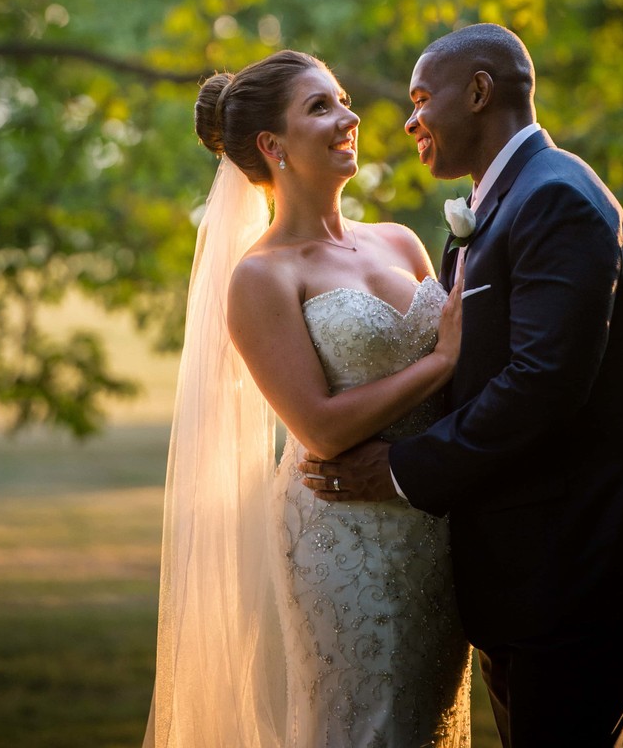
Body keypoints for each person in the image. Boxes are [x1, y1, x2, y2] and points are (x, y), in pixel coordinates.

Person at [302, 24, 623, 748]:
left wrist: (400, 469)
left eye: (422, 98)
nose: (408, 121)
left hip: (581, 564)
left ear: (480, 91)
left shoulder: (558, 199)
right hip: (527, 568)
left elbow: (542, 384)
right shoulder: (502, 203)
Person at [143, 49, 471, 748]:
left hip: (433, 527)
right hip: (342, 533)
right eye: (321, 107)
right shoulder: (261, 277)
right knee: (368, 722)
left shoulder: (401, 241)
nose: (349, 117)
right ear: (272, 145)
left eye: (343, 99)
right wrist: (442, 359)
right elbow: (319, 429)